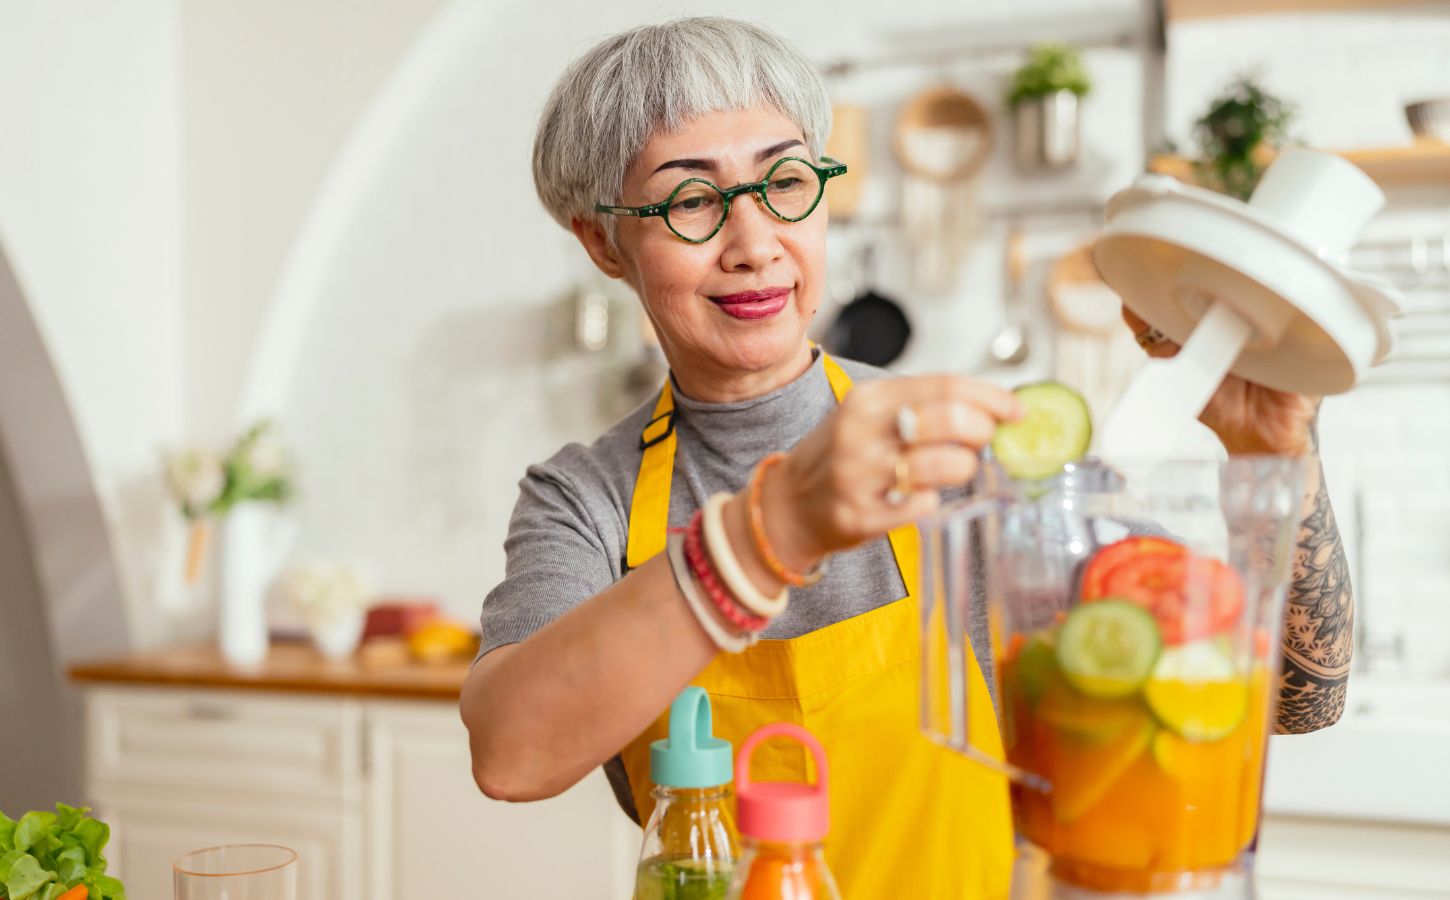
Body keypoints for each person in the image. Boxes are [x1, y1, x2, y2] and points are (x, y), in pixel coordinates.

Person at [461, 17, 1353, 897]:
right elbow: (512, 753)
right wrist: (771, 533)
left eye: (785, 181)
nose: (756, 242)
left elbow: (1296, 698)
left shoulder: (963, 448)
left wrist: (1274, 456)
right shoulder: (587, 499)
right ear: (601, 241)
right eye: (692, 201)